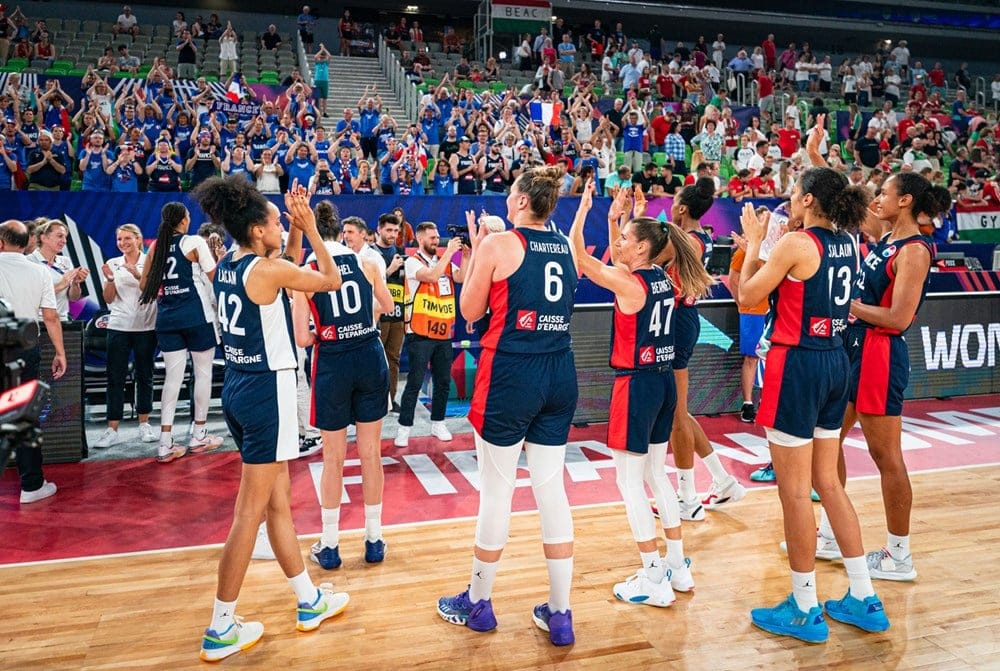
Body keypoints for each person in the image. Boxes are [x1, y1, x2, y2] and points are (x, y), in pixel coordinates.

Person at [737, 146, 890, 642]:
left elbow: (748, 298)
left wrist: (757, 243)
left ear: (806, 199)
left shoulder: (796, 244)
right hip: (834, 361)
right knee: (830, 481)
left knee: (795, 492)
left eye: (792, 191)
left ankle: (804, 605)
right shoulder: (848, 241)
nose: (787, 197)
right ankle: (864, 596)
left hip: (797, 363)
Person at [193, 177, 348, 662]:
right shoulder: (267, 270)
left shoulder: (229, 265)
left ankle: (309, 600)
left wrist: (294, 229)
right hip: (268, 390)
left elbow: (282, 264)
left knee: (278, 502)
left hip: (238, 387)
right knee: (248, 513)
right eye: (278, 222)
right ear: (259, 231)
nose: (285, 224)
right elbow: (330, 280)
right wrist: (313, 232)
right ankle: (221, 626)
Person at [436, 166, 578, 646]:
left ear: (520, 201)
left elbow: (470, 312)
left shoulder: (499, 245)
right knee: (550, 490)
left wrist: (478, 252)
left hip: (512, 372)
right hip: (560, 371)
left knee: (496, 492)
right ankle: (560, 614)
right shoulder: (563, 245)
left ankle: (479, 602)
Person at [571, 181, 711, 607]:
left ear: (642, 250)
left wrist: (583, 210)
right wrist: (617, 218)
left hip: (636, 385)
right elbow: (614, 256)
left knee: (629, 482)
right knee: (655, 474)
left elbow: (580, 257)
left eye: (627, 238)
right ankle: (677, 564)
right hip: (664, 381)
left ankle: (652, 577)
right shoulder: (664, 279)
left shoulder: (630, 284)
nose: (619, 242)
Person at [813, 173, 950, 582]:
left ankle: (899, 555)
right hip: (854, 347)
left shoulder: (914, 251)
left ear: (905, 200)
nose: (876, 199)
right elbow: (856, 212)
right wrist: (819, 160)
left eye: (884, 193)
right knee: (828, 440)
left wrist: (847, 305)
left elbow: (898, 318)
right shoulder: (888, 237)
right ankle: (832, 535)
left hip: (880, 352)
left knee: (886, 456)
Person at [293, 201, 394, 570]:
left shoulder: (305, 272)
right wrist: (362, 319)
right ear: (340, 231)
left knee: (333, 458)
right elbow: (388, 305)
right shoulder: (366, 263)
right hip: (369, 354)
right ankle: (374, 539)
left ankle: (331, 544)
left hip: (333, 360)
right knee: (371, 454)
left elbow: (303, 340)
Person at [665, 179, 745, 520]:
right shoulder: (695, 236)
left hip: (679, 320)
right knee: (677, 411)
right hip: (677, 319)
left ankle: (687, 497)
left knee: (676, 414)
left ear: (683, 208)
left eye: (674, 201)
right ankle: (722, 479)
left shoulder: (690, 241)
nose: (669, 205)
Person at [139, 203, 224, 463]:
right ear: (184, 221)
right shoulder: (194, 242)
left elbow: (144, 284)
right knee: (203, 374)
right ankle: (199, 434)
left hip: (167, 319)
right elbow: (216, 278)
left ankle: (165, 443)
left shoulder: (156, 247)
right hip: (197, 317)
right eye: (187, 216)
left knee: (172, 379)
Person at [0, 220, 66, 504]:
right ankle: (31, 486)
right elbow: (50, 317)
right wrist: (60, 352)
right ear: (27, 242)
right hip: (23, 350)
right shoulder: (39, 272)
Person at [394, 222, 467, 447]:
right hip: (420, 332)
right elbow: (432, 276)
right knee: (414, 382)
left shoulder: (442, 261)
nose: (437, 241)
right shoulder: (414, 261)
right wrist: (449, 254)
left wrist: (465, 254)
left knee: (443, 382)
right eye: (432, 238)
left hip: (443, 332)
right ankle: (404, 427)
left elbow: (461, 277)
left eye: (438, 237)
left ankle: (438, 422)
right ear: (420, 239)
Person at [92, 224, 158, 448]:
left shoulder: (151, 261)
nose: (123, 243)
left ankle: (144, 423)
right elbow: (109, 299)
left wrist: (138, 274)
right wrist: (110, 280)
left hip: (146, 327)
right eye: (119, 239)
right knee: (115, 377)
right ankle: (112, 429)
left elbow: (154, 293)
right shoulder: (113, 263)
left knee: (145, 376)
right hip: (118, 326)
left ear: (139, 239)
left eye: (127, 238)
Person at [728, 207, 771, 423]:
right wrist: (741, 303)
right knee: (751, 357)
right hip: (752, 311)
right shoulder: (742, 252)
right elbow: (733, 280)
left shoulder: (774, 249)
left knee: (772, 358)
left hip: (772, 310)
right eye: (760, 220)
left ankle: (768, 401)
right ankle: (747, 403)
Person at [374, 213, 406, 412]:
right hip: (378, 315)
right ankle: (375, 401)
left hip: (398, 314)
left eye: (396, 230)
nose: (393, 234)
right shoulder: (370, 254)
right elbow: (369, 283)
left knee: (393, 359)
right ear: (379, 229)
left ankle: (391, 400)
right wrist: (390, 269)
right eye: (389, 230)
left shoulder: (400, 251)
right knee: (376, 360)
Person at [29, 220, 88, 321]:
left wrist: (75, 283)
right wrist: (62, 284)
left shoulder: (65, 261)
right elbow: (31, 297)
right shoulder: (29, 261)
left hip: (62, 320)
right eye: (60, 236)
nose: (64, 241)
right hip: (37, 321)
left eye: (65, 237)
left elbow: (73, 298)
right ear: (44, 238)